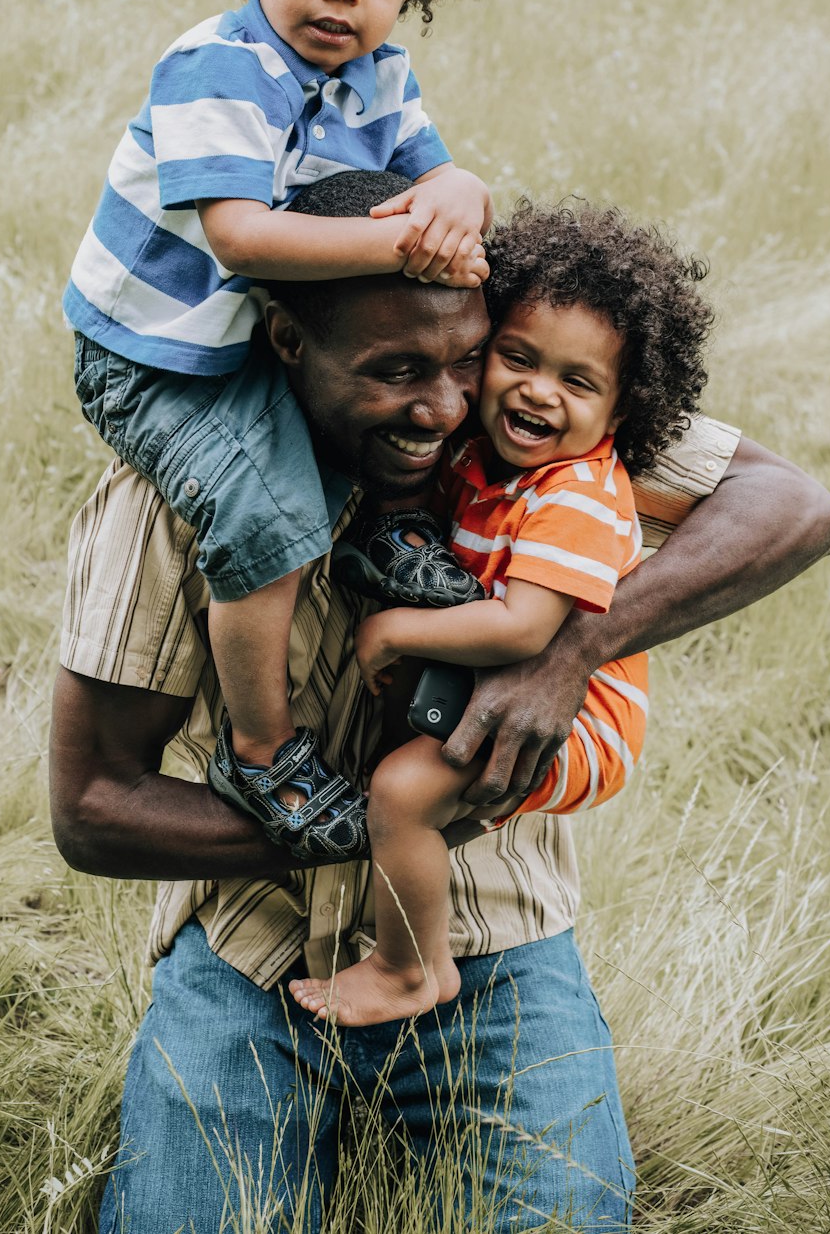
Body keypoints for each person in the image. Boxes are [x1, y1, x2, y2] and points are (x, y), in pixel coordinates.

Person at [50, 172, 830, 1233]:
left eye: (465, 358)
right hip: (251, 951)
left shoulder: (524, 421)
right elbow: (93, 805)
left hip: (498, 939)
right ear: (287, 345)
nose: (440, 404)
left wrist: (571, 650)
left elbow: (792, 504)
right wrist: (379, 826)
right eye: (392, 371)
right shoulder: (176, 495)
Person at [61, 0, 498, 863]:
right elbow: (244, 238)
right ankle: (263, 752)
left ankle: (381, 536)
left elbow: (437, 177)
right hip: (156, 358)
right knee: (263, 518)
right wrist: (409, 236)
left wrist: (462, 194)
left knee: (386, 398)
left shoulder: (379, 74)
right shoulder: (219, 64)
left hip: (254, 343)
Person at [288, 200, 713, 1026]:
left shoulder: (578, 493)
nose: (538, 391)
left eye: (577, 381)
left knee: (405, 790)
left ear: (621, 413)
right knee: (408, 774)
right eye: (517, 358)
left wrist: (393, 628)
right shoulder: (492, 462)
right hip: (511, 676)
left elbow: (524, 629)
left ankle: (411, 969)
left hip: (583, 720)